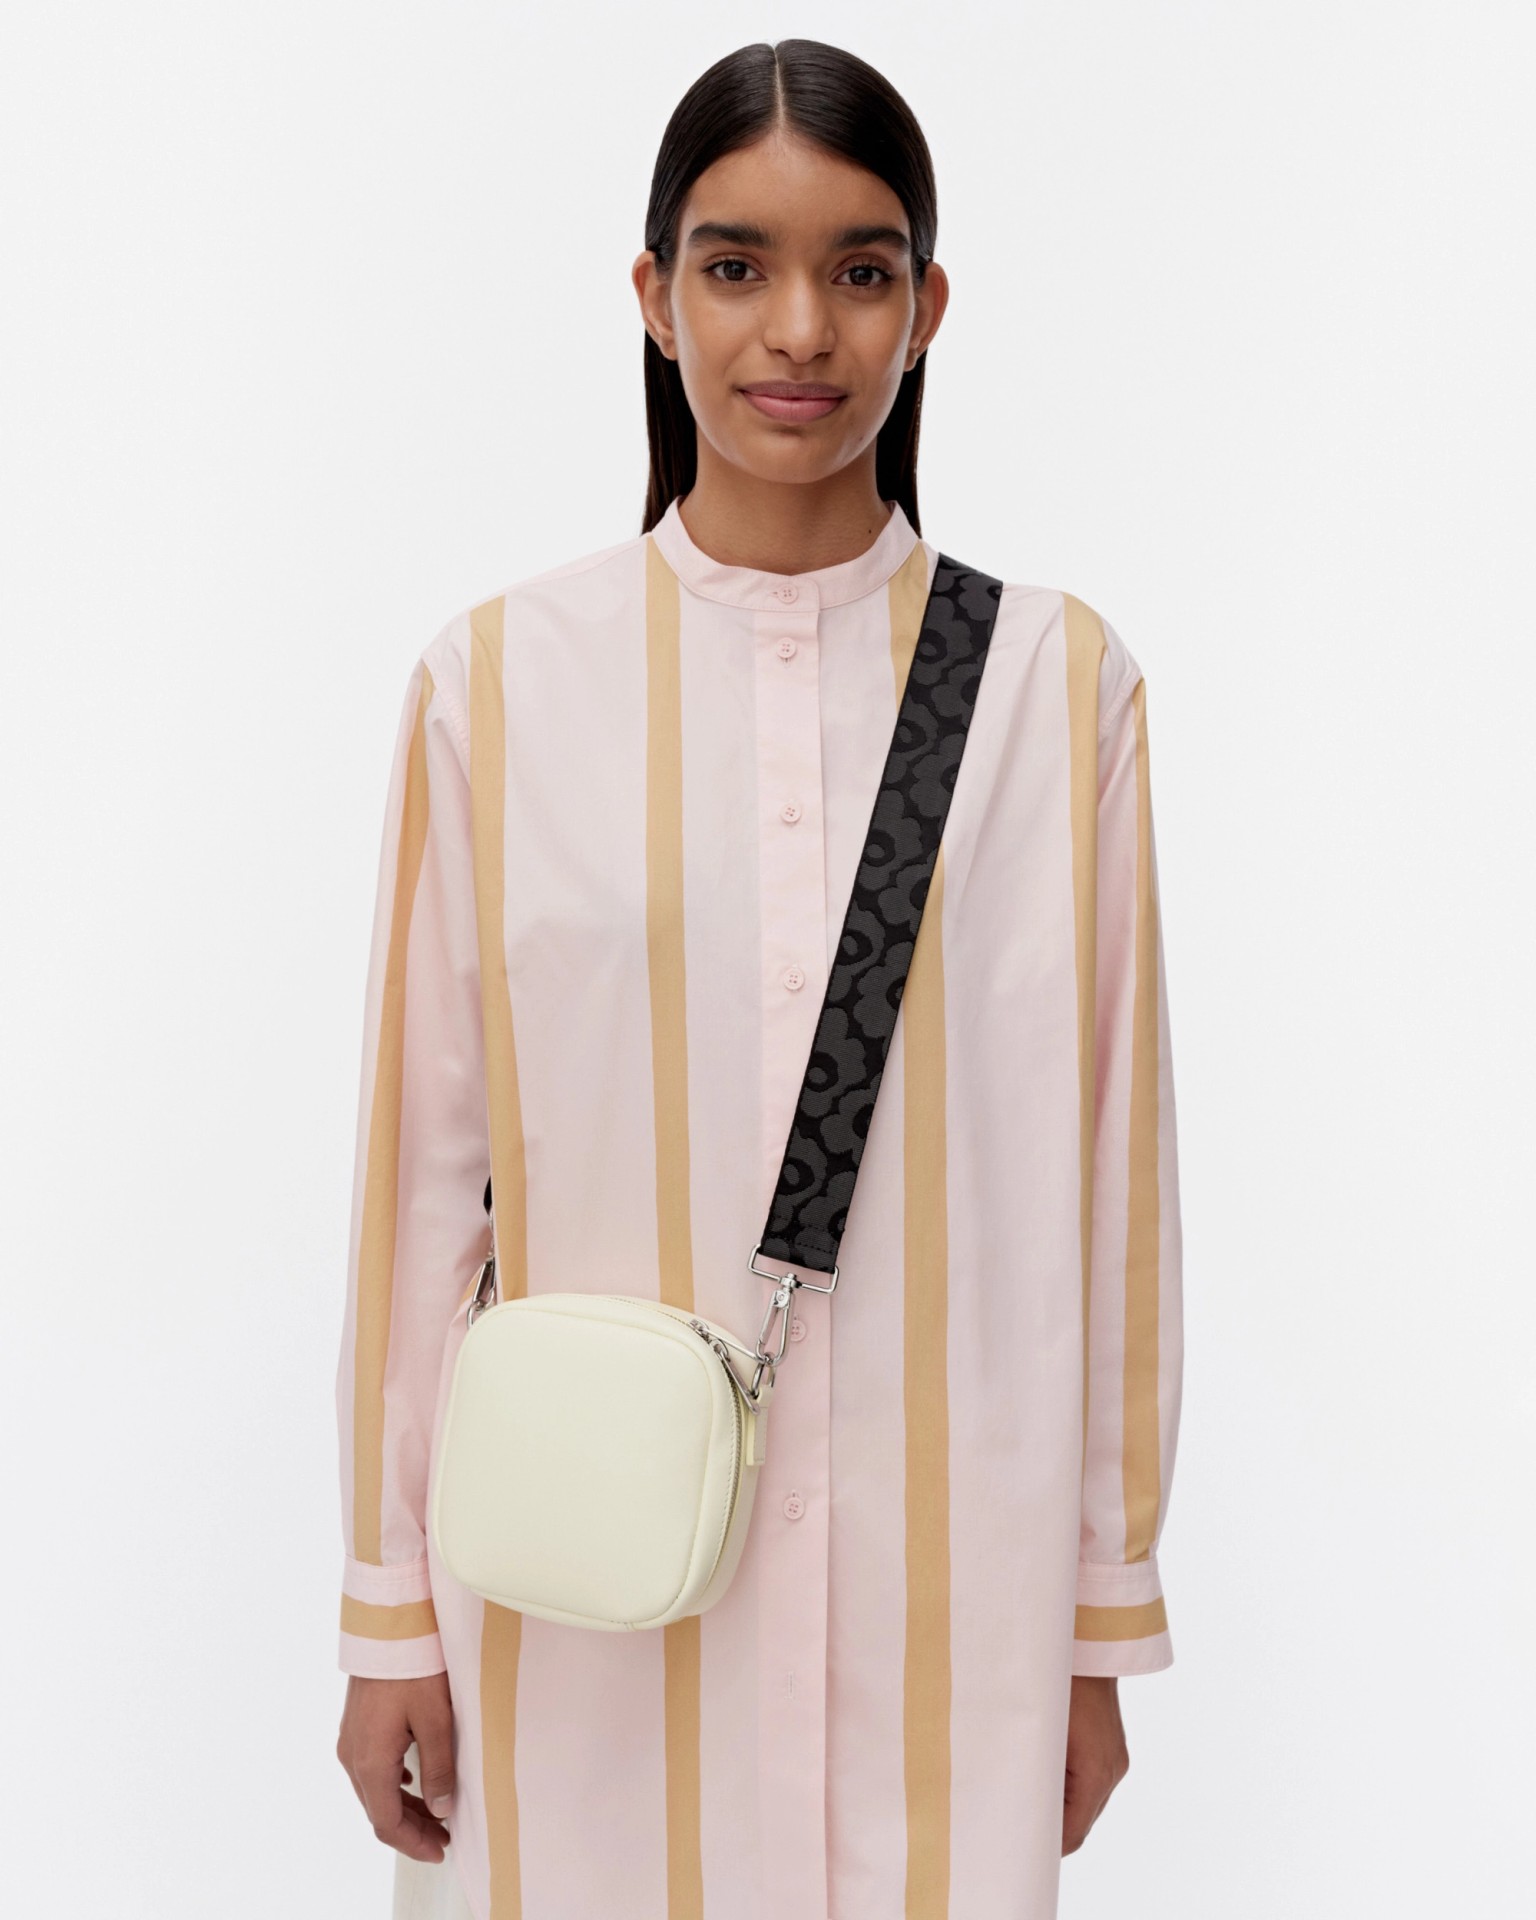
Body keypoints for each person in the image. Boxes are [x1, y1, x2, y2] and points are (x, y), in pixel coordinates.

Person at [333, 36, 1184, 1920]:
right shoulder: (497, 684)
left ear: (927, 307)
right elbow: (424, 1189)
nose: (799, 328)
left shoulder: (1058, 691)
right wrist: (389, 1606)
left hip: (951, 1593)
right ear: (654, 297)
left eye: (860, 269)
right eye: (737, 266)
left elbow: (1115, 1187)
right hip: (582, 1601)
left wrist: (1098, 1616)